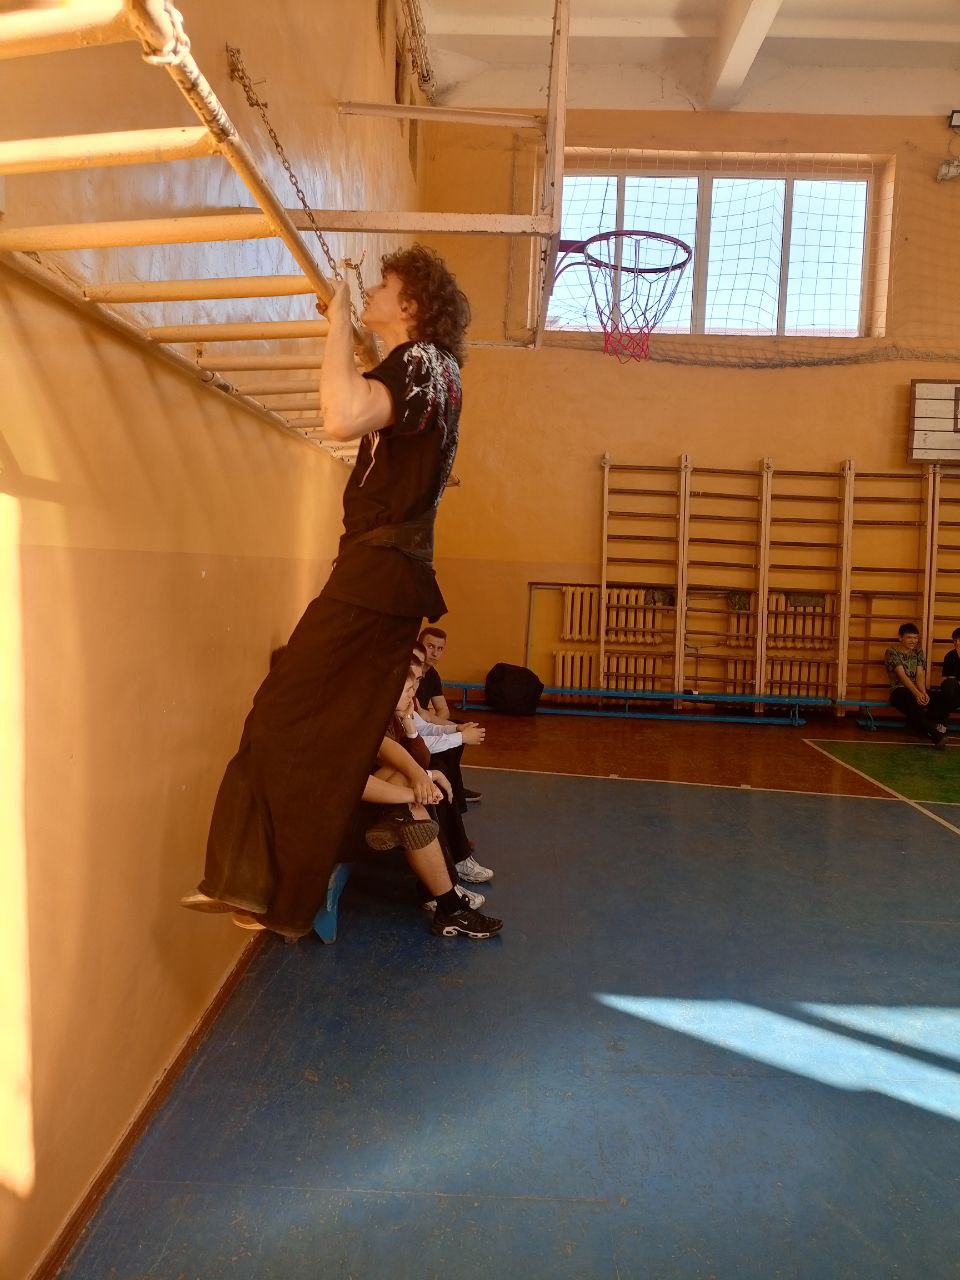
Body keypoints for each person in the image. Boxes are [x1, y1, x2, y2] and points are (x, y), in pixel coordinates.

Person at [182, 245, 471, 939]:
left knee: (284, 716)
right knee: (320, 730)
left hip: (378, 573)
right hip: (385, 573)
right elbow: (366, 402)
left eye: (383, 285)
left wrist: (341, 321)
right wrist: (347, 330)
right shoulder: (434, 371)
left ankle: (267, 891)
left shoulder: (421, 362)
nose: (371, 291)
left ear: (411, 305)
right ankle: (267, 892)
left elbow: (341, 416)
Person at [416, 627, 483, 804]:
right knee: (455, 735)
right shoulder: (411, 671)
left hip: (422, 724)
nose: (435, 653)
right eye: (430, 646)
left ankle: (454, 785)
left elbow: (443, 709)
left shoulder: (432, 674)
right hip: (411, 727)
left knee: (457, 730)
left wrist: (436, 721)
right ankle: (451, 787)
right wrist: (443, 724)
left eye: (440, 649)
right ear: (419, 645)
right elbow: (420, 714)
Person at [885, 623, 949, 748]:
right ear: (900, 638)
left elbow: (920, 674)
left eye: (915, 638)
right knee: (915, 705)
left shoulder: (918, 651)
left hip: (917, 689)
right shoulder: (891, 651)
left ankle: (920, 725)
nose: (913, 641)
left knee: (943, 698)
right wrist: (917, 694)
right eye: (909, 637)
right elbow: (902, 676)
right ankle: (936, 736)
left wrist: (923, 692)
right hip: (899, 690)